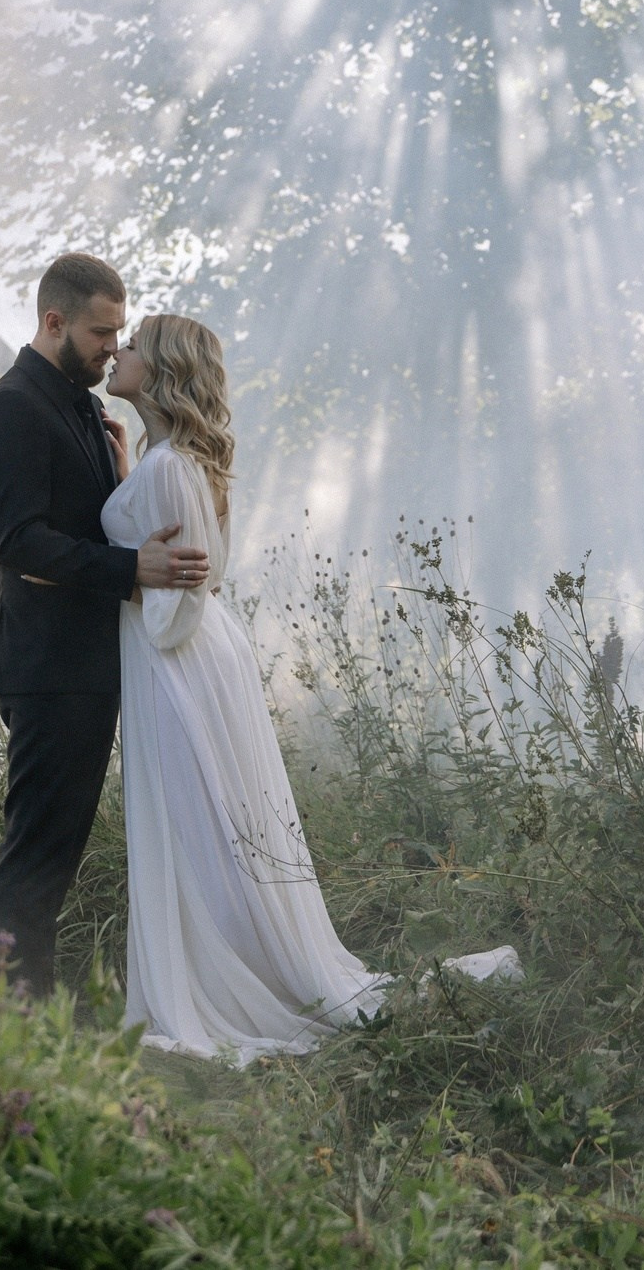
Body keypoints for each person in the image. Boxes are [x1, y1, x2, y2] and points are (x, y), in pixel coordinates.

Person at [102, 313, 513, 1062]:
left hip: (176, 659)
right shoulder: (172, 461)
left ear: (158, 369)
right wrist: (127, 477)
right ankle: (243, 965)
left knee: (198, 827)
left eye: (130, 345)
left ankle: (228, 984)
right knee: (215, 824)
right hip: (202, 653)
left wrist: (128, 585)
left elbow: (179, 599)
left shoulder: (169, 468)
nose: (118, 351)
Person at [0, 254, 208, 996]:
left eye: (118, 332)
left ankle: (29, 1009)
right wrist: (135, 568)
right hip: (47, 667)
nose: (112, 346)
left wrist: (121, 471)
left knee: (58, 847)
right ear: (54, 321)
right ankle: (15, 1017)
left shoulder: (79, 405)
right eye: (102, 332)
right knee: (38, 851)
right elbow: (20, 542)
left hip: (84, 665)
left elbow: (85, 521)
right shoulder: (12, 407)